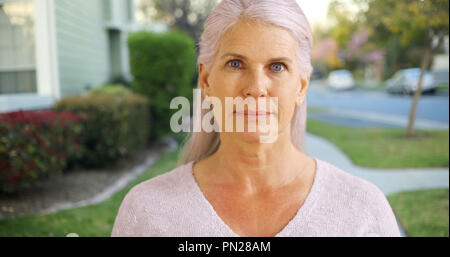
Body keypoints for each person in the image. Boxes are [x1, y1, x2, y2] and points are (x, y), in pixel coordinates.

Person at [111, 0, 401, 237]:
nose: (256, 88)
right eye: (235, 63)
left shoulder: (363, 211)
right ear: (206, 80)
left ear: (301, 86)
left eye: (277, 66)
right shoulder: (147, 212)